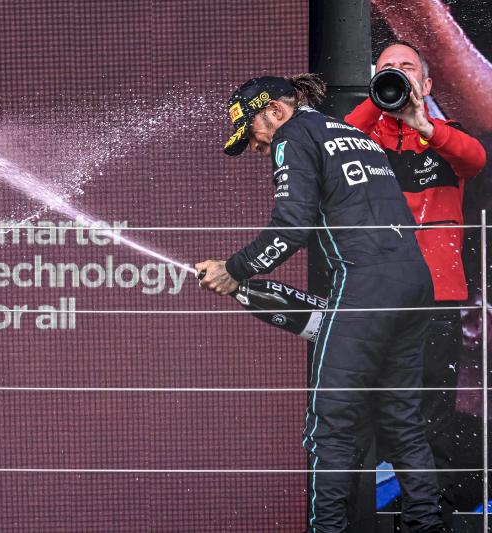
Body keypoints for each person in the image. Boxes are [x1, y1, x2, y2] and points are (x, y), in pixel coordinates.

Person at [196, 74, 443, 532]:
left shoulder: (293, 135)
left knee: (329, 425)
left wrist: (235, 269)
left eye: (252, 132)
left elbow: (292, 228)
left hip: (367, 284)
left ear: (275, 111)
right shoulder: (351, 133)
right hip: (414, 281)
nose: (255, 146)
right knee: (402, 422)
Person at [345, 41, 487, 521]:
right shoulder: (361, 138)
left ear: (427, 85)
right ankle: (359, 505)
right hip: (374, 292)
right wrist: (381, 96)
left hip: (437, 295)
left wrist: (421, 121)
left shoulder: (448, 136)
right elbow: (336, 142)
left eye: (409, 70)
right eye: (388, 70)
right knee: (367, 402)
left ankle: (429, 505)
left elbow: (476, 159)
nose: (399, 76)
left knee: (431, 405)